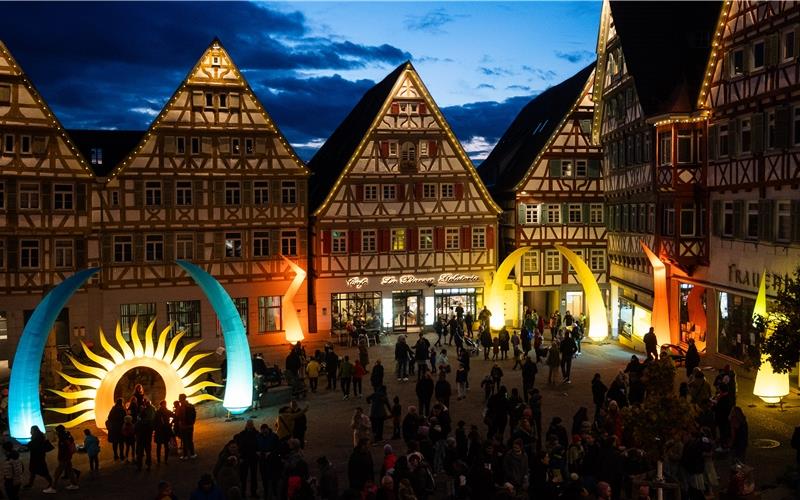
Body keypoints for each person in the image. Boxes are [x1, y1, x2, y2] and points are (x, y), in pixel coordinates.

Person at [24, 425, 54, 493]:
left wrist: (27, 446)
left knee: (42, 471)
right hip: (39, 457)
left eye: (31, 430)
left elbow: (32, 445)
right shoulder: (40, 437)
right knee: (34, 471)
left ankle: (51, 482)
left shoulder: (36, 438)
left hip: (37, 457)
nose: (30, 432)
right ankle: (30, 484)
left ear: (34, 431)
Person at [234, 419, 260, 498]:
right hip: (245, 458)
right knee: (244, 477)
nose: (250, 426)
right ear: (246, 425)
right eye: (249, 424)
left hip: (252, 458)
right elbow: (238, 445)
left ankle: (252, 492)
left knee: (253, 476)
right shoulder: (243, 434)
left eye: (251, 424)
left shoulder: (256, 434)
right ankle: (244, 493)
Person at [52, 425, 79, 491]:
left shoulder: (62, 438)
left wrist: (60, 457)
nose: (56, 432)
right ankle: (74, 484)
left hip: (64, 458)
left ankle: (53, 487)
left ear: (59, 431)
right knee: (69, 470)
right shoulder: (67, 436)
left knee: (58, 472)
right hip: (68, 456)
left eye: (56, 431)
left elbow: (63, 449)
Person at [177, 393, 197, 459]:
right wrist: (192, 423)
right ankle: (192, 454)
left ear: (181, 399)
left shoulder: (181, 407)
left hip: (184, 426)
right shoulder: (191, 406)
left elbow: (179, 417)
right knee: (190, 440)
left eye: (179, 398)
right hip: (190, 426)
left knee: (184, 441)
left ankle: (185, 455)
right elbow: (194, 414)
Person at [154, 400, 175, 464]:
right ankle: (165, 460)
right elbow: (174, 416)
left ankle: (160, 461)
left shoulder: (158, 412)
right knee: (165, 446)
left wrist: (171, 423)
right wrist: (170, 423)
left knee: (160, 446)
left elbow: (154, 421)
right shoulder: (166, 411)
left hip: (160, 431)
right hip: (165, 430)